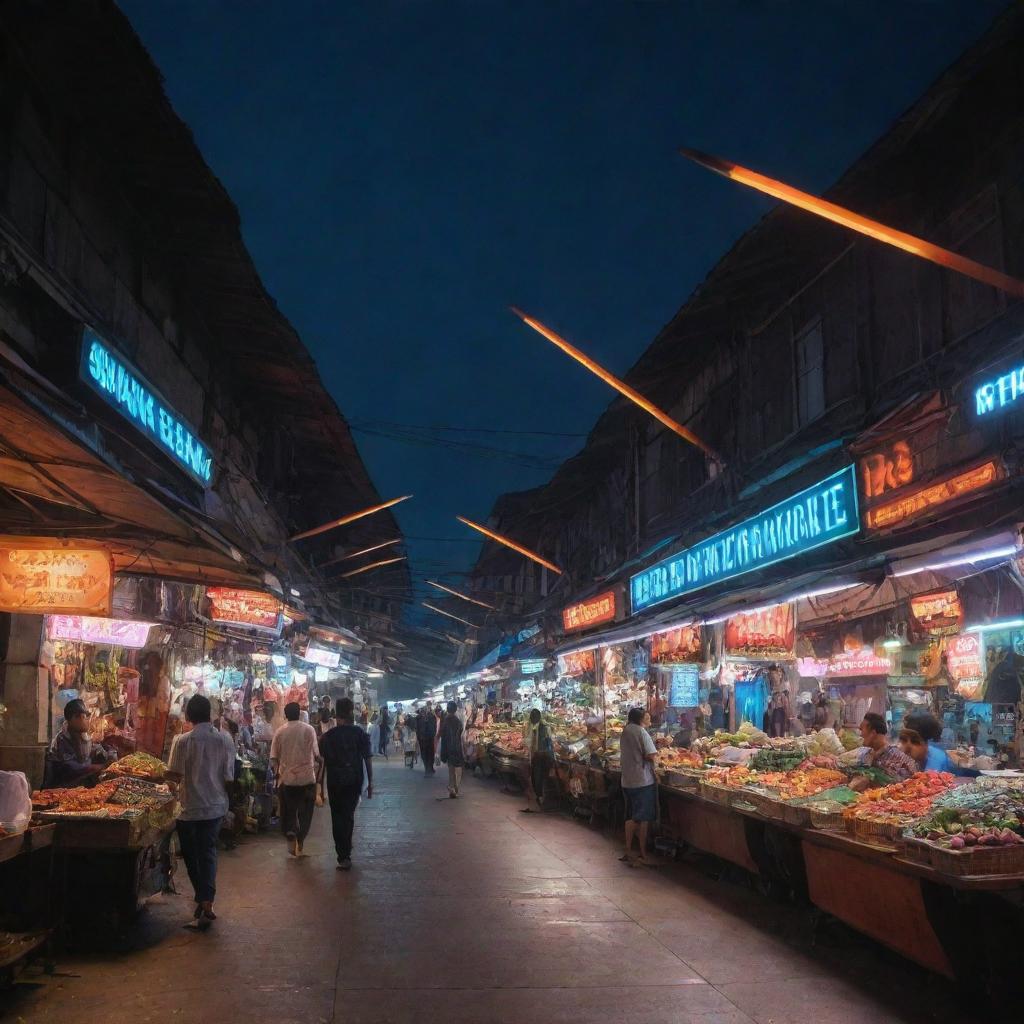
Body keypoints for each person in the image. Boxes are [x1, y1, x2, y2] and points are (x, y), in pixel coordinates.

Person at [165, 694, 236, 930]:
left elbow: (173, 776)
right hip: (215, 807)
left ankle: (203, 899)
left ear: (188, 715)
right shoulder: (225, 740)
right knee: (208, 853)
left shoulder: (182, 741)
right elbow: (229, 778)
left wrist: (164, 783)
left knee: (192, 857)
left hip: (189, 809)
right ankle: (206, 900)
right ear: (209, 714)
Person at [319, 698, 373, 870]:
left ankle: (342, 854)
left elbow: (322, 764)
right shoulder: (359, 733)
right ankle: (346, 851)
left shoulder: (328, 737)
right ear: (351, 713)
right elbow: (367, 759)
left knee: (337, 816)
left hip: (335, 781)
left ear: (337, 714)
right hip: (353, 780)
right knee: (348, 816)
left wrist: (319, 787)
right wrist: (370, 782)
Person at [270, 701, 321, 857]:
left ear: (285, 715)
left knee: (289, 811)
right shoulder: (309, 730)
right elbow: (317, 755)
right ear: (299, 713)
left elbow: (273, 758)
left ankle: (291, 830)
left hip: (288, 780)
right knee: (306, 813)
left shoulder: (280, 732)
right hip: (307, 779)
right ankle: (300, 839)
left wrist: (276, 774)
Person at [619, 706, 658, 866]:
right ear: (640, 719)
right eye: (647, 717)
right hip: (642, 780)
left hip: (627, 780)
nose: (649, 719)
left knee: (630, 817)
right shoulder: (642, 732)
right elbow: (651, 755)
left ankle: (628, 850)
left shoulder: (626, 730)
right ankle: (641, 854)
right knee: (641, 819)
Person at [44, 699, 114, 787]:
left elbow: (95, 749)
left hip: (79, 783)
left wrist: (109, 754)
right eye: (84, 717)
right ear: (74, 718)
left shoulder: (81, 735)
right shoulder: (61, 740)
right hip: (61, 788)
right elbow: (72, 768)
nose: (87, 721)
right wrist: (98, 767)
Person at [851, 712, 917, 790]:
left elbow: (910, 784)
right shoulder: (865, 754)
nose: (860, 735)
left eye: (862, 730)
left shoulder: (899, 758)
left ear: (873, 733)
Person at [521, 708, 553, 813]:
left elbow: (549, 742)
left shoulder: (545, 727)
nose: (533, 719)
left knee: (540, 778)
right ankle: (537, 799)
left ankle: (540, 799)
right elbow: (528, 742)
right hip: (535, 757)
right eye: (532, 717)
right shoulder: (531, 727)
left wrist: (550, 754)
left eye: (534, 717)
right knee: (535, 778)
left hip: (543, 757)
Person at [439, 701, 465, 798]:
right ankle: (455, 789)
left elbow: (443, 737)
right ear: (455, 710)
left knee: (451, 770)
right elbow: (460, 735)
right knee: (458, 770)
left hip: (449, 750)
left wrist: (443, 753)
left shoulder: (445, 722)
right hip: (457, 749)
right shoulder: (458, 722)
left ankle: (452, 788)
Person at [418, 702, 437, 774]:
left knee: (429, 753)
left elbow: (434, 727)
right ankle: (427, 768)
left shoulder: (431, 716)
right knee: (426, 753)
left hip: (428, 738)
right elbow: (417, 728)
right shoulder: (419, 718)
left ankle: (430, 767)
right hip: (424, 738)